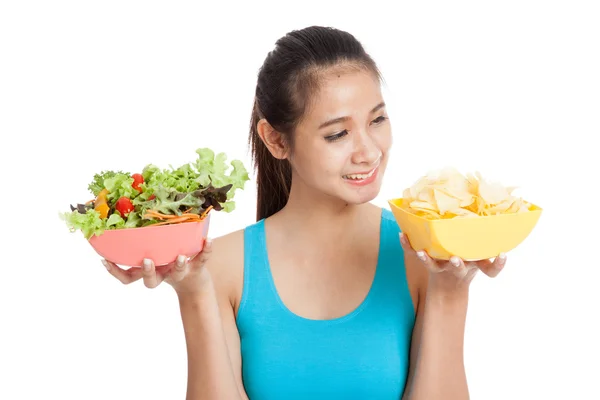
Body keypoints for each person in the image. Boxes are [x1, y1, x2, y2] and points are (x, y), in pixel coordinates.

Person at [101, 26, 507, 400]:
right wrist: (192, 294)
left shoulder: (423, 256)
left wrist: (452, 292)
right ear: (276, 139)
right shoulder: (218, 268)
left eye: (378, 119)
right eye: (338, 133)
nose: (368, 151)